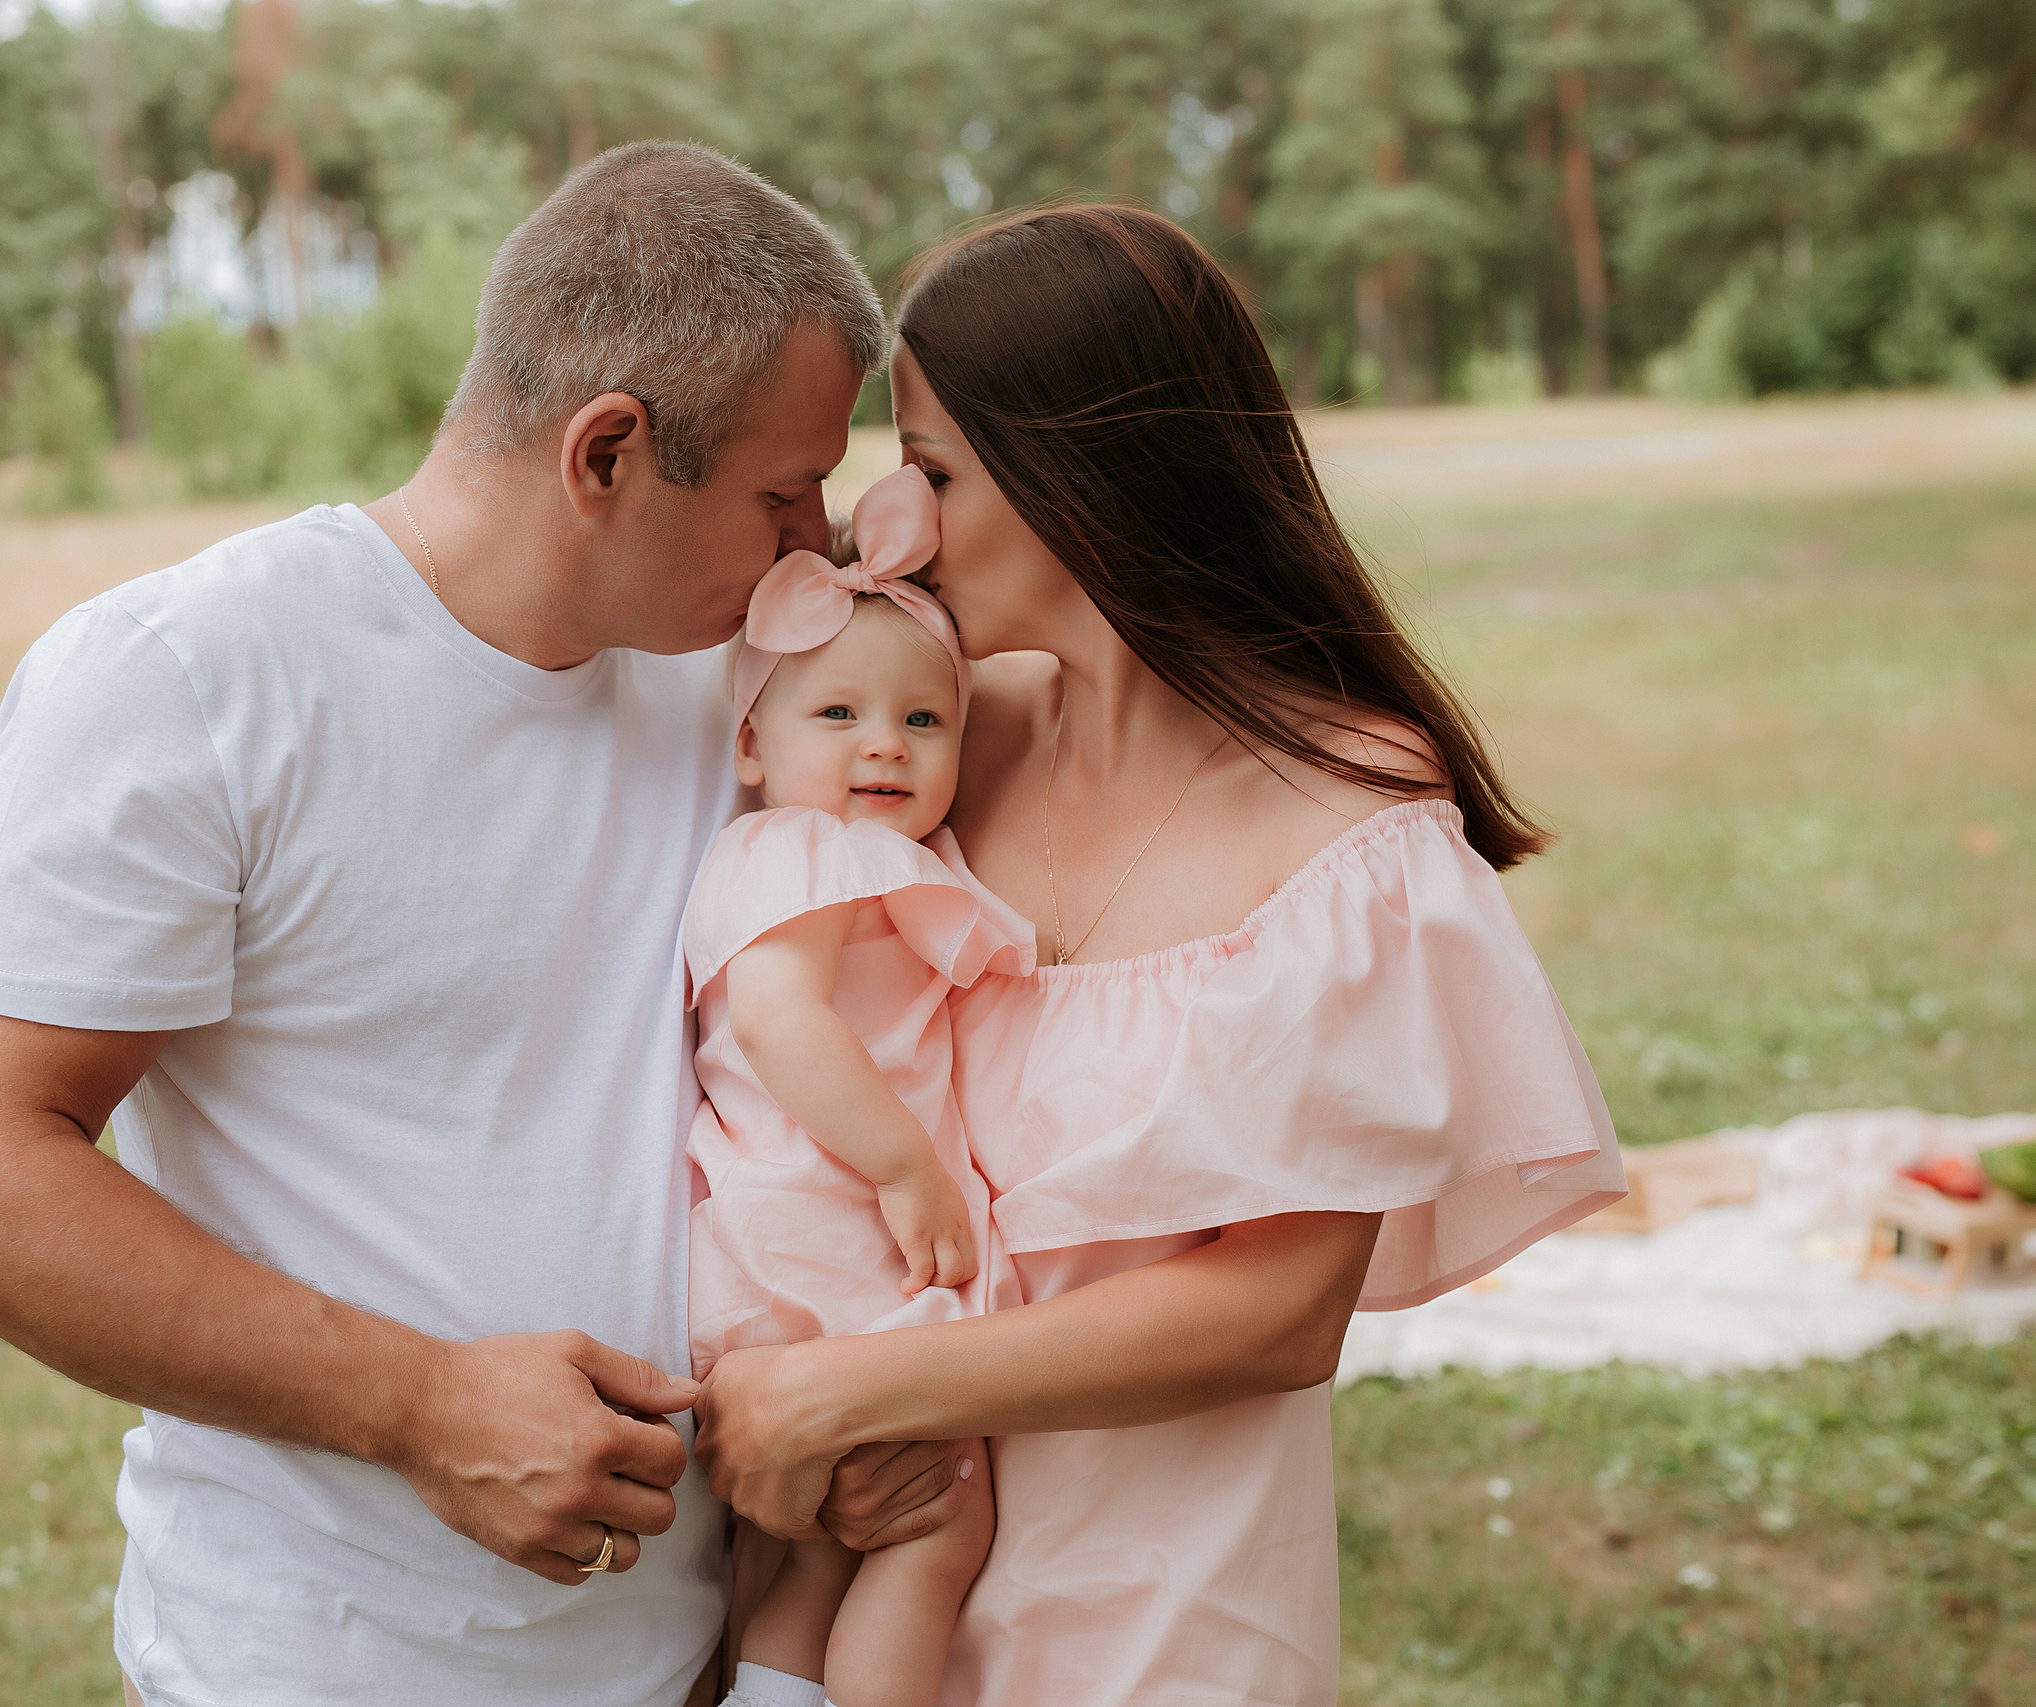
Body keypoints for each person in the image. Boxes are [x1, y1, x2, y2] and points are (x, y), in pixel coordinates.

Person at [0, 141, 967, 1707]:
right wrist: (421, 1403)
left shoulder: (740, 688)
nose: (818, 552)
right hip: (316, 1668)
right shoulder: (187, 679)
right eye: (785, 495)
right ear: (606, 454)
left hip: (697, 1656)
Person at [693, 205, 1628, 1706]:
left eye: (931, 468)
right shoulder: (927, 749)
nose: (895, 521)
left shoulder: (1347, 817)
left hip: (1157, 1623)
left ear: (1081, 474)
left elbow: (1276, 1308)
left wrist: (840, 1392)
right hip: (859, 1585)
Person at [682, 466, 1028, 1707]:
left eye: (922, 722)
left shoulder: (855, 857)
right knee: (936, 1528)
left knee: (821, 1553)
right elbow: (779, 1018)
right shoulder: (799, 850)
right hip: (832, 1229)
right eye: (836, 714)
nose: (883, 741)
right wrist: (907, 1169)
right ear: (750, 745)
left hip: (780, 1240)